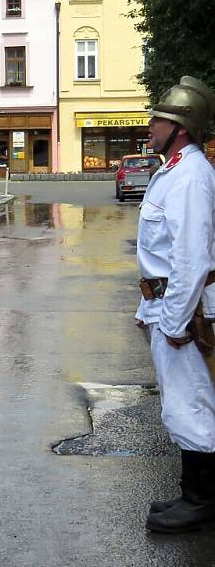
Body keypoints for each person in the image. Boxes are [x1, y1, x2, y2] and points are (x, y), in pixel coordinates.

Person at [134, 76, 215, 534]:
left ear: (180, 127)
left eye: (159, 119)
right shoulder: (176, 169)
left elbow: (191, 257)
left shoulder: (191, 176)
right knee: (182, 401)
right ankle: (194, 492)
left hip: (184, 310)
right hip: (168, 304)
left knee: (191, 402)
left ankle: (200, 500)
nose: (151, 125)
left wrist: (174, 321)